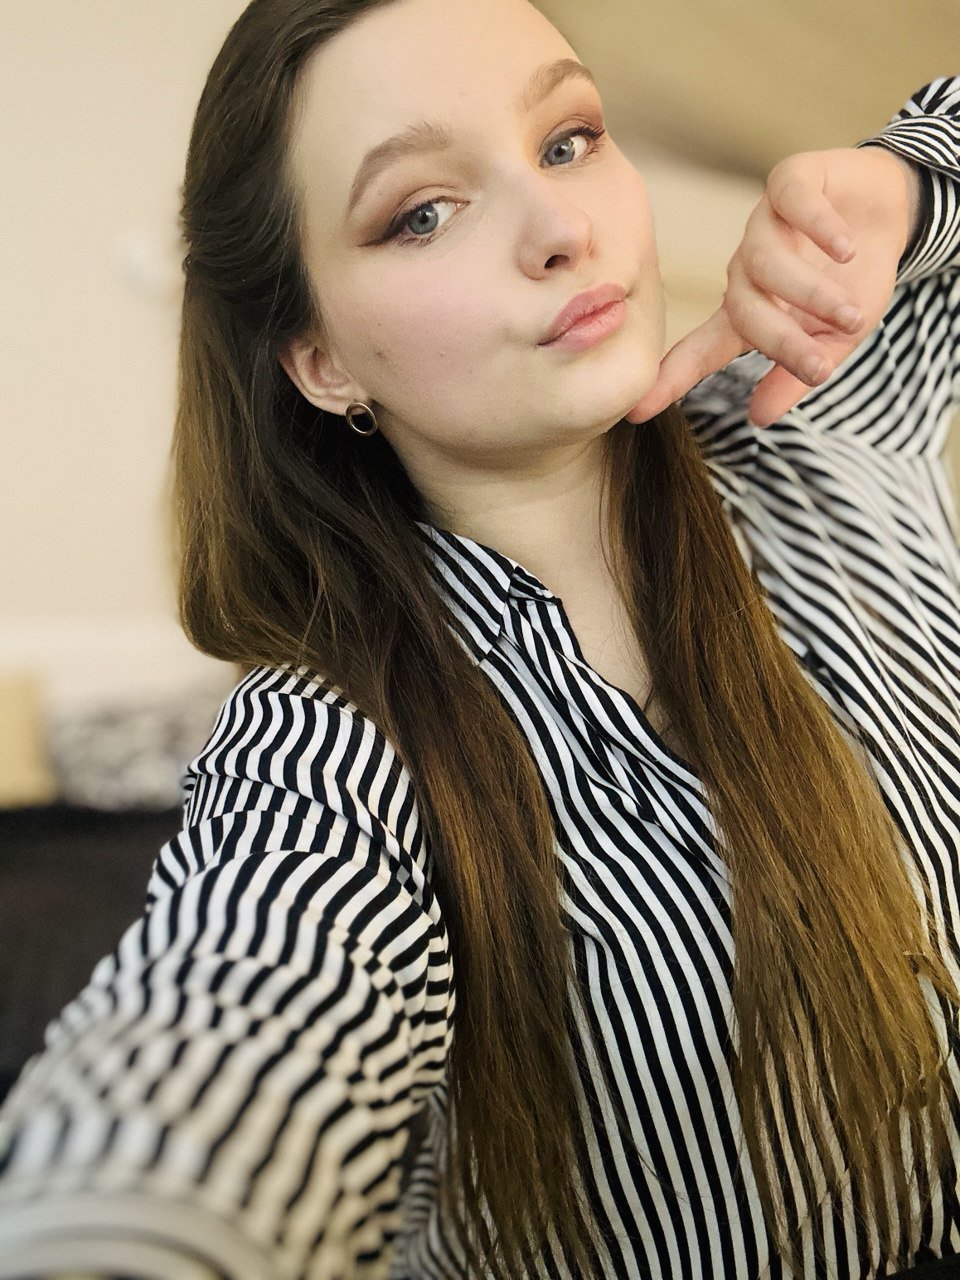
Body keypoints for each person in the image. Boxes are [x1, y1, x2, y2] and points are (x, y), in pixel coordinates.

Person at [0, 0, 957, 1275]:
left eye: (568, 140)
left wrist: (908, 189)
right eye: (422, 213)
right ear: (322, 359)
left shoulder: (821, 414)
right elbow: (218, 1039)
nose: (561, 226)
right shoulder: (330, 747)